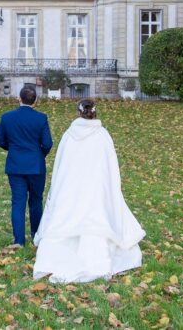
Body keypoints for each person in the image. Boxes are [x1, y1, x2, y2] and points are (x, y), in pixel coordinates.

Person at [33, 99, 145, 283]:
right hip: (94, 184)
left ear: (79, 113)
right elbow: (110, 166)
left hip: (76, 185)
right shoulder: (101, 136)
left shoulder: (70, 136)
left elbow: (62, 165)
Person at [0, 85, 53, 247]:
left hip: (15, 165)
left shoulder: (7, 117)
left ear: (19, 98)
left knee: (18, 202)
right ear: (35, 101)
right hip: (36, 166)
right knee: (35, 201)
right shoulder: (41, 118)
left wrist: (13, 149)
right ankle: (36, 236)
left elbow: (0, 140)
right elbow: (47, 143)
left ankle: (19, 241)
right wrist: (39, 155)